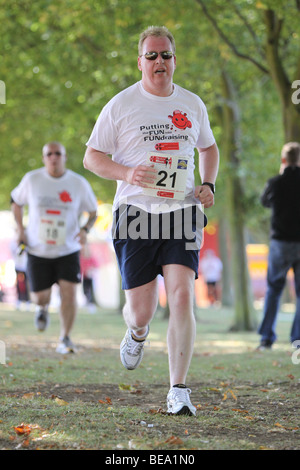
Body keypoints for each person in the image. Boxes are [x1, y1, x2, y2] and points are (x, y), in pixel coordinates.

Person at [83, 26, 219, 415]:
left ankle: (179, 390)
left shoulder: (193, 104)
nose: (160, 61)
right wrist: (127, 173)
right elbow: (91, 158)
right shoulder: (121, 104)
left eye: (166, 55)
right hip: (135, 214)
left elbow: (209, 147)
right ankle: (137, 332)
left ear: (175, 60)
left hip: (182, 211)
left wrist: (208, 183)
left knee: (181, 295)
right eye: (152, 55)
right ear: (140, 61)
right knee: (141, 310)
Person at [11, 141, 98, 354]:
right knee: (41, 297)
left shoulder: (78, 183)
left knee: (69, 294)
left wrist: (85, 229)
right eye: (49, 154)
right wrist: (20, 230)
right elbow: (15, 201)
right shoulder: (32, 179)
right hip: (37, 249)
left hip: (67, 249)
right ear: (43, 158)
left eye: (57, 153)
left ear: (65, 157)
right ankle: (41, 309)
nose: (53, 157)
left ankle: (65, 337)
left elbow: (93, 211)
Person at [257, 142, 300, 350]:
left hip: (280, 242)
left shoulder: (275, 182)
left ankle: (266, 338)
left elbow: (264, 202)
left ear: (284, 160)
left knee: (274, 290)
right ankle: (298, 339)